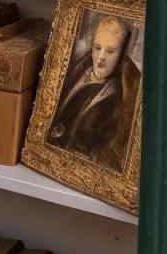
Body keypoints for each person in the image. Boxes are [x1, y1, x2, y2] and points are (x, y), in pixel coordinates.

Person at [46, 14, 141, 172]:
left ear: (121, 56)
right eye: (97, 48)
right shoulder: (77, 72)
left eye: (110, 51)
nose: (101, 57)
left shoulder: (119, 96)